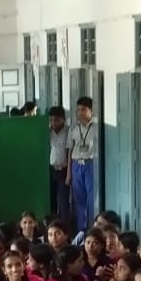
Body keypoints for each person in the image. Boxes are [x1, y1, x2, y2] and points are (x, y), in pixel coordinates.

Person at [67, 96, 98, 234]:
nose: (80, 112)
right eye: (78, 110)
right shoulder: (73, 128)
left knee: (91, 199)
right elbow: (70, 150)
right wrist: (69, 173)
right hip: (76, 165)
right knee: (79, 200)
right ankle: (81, 230)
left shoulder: (96, 128)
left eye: (84, 110)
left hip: (90, 164)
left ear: (91, 111)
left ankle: (92, 228)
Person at [48, 105, 70, 221]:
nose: (53, 123)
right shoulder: (48, 132)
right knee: (50, 200)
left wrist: (69, 174)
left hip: (63, 170)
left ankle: (64, 225)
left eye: (56, 120)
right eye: (51, 120)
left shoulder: (68, 132)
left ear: (63, 119)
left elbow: (69, 153)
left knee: (63, 201)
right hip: (51, 169)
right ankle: (51, 224)